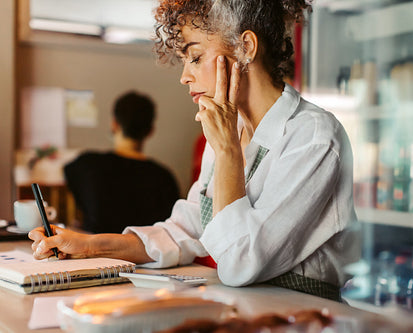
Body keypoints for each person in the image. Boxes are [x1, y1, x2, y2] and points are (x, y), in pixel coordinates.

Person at [30, 0, 360, 301]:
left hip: (305, 318)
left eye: (196, 56)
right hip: (245, 309)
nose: (185, 77)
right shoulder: (229, 130)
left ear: (246, 47)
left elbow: (239, 263)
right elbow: (184, 230)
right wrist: (90, 246)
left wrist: (228, 150)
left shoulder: (314, 136)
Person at [63, 91, 180, 234]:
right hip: (144, 255)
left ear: (114, 124)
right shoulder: (165, 178)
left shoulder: (87, 164)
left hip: (95, 251)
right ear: (150, 131)